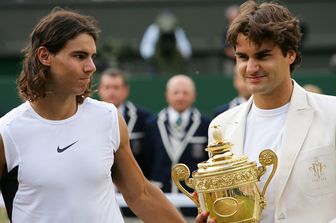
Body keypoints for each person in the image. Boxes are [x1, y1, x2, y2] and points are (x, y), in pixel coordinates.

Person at [0, 8, 187, 223]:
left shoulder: (108, 117)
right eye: (79, 56)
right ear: (45, 56)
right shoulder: (7, 133)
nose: (91, 67)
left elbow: (141, 194)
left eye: (92, 56)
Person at [204, 1, 336, 223]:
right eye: (243, 57)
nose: (251, 67)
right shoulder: (221, 127)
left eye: (263, 56)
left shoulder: (332, 113)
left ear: (291, 55)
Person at [144, 74, 211, 216]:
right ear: (167, 95)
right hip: (161, 197)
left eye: (185, 93)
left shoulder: (205, 124)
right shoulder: (152, 124)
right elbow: (147, 160)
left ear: (193, 96)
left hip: (193, 202)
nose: (180, 97)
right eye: (175, 92)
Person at [98, 67, 152, 177]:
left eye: (116, 87)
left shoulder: (144, 118)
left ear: (126, 90)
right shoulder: (87, 117)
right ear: (99, 89)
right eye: (107, 87)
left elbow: (150, 156)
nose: (111, 92)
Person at [139, 10, 192, 75]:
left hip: (175, 67)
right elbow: (146, 51)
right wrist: (154, 58)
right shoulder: (153, 29)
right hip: (157, 68)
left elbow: (186, 51)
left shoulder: (177, 30)